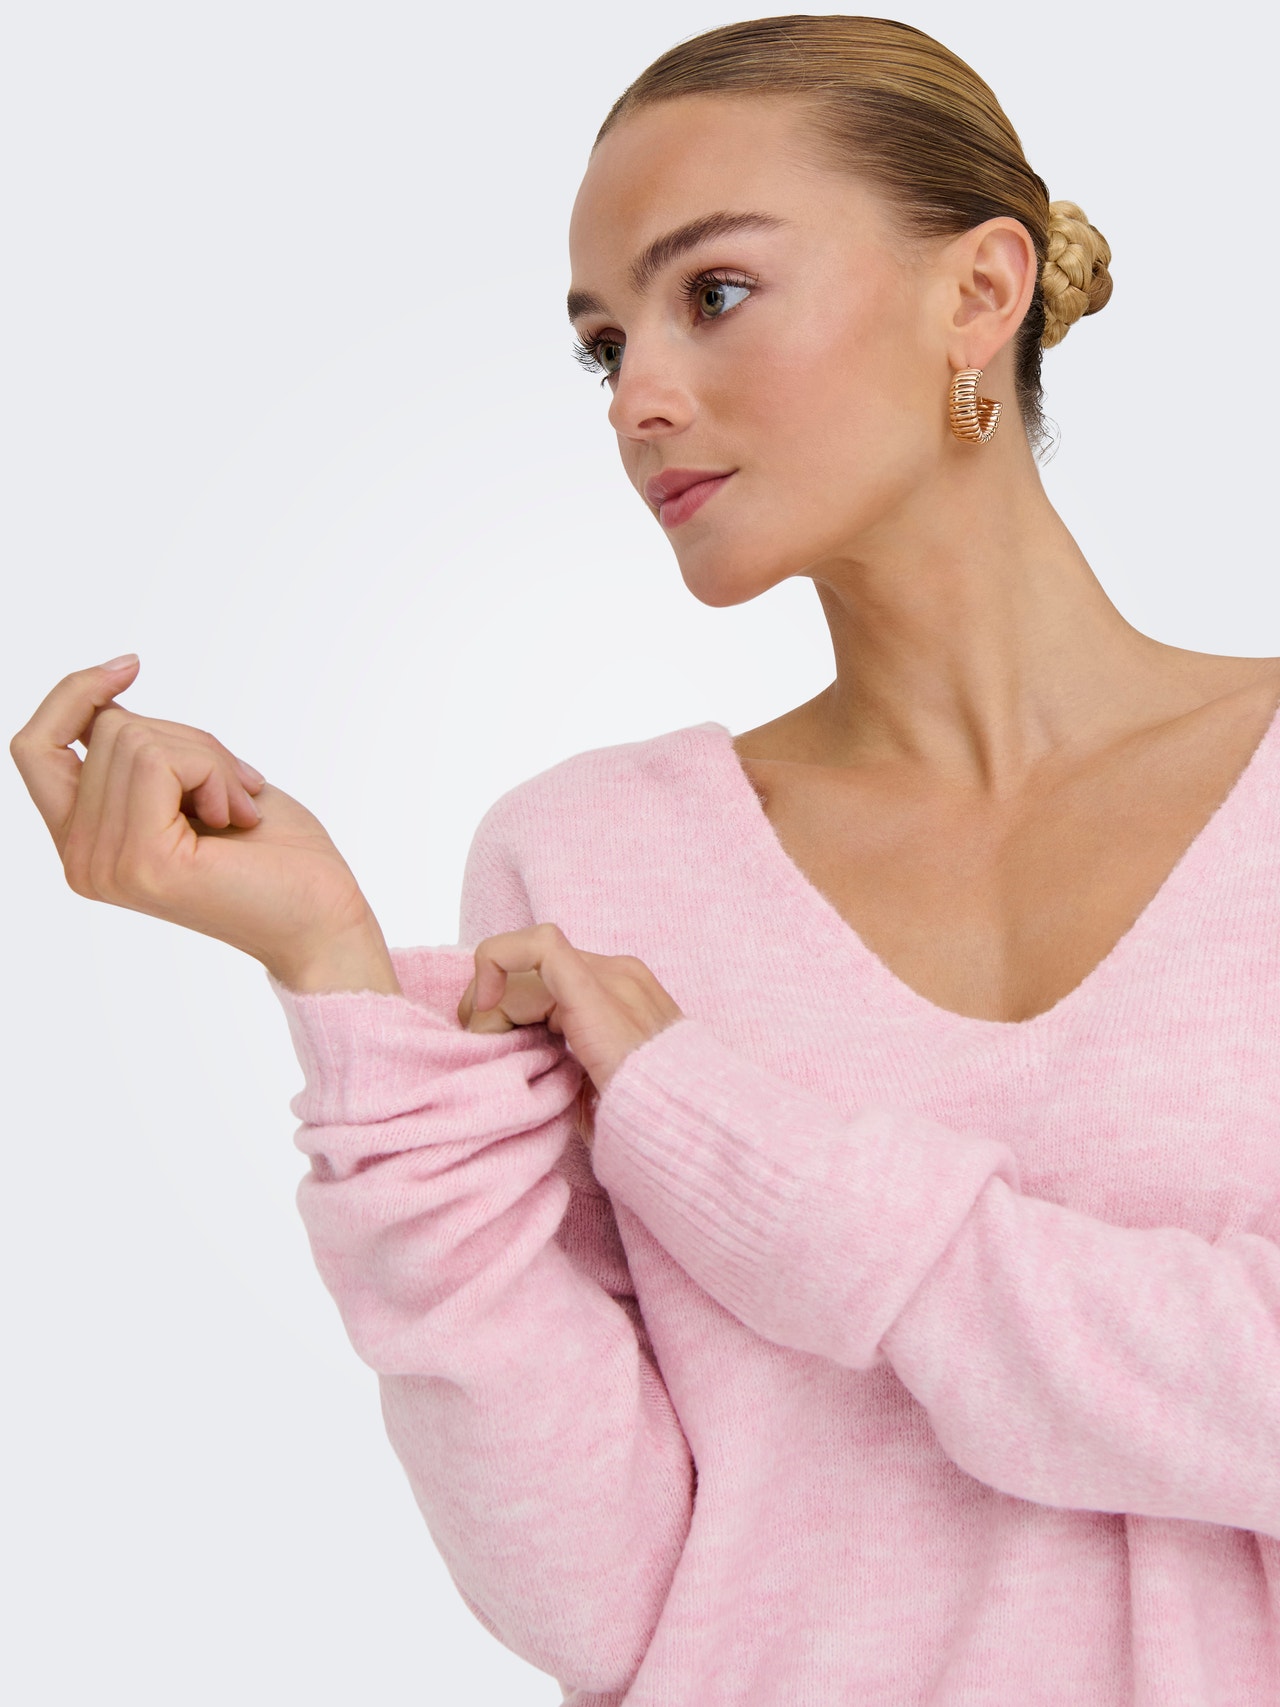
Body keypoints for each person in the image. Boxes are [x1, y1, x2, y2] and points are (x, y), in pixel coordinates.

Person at [12, 13, 1280, 1703]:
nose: (640, 400)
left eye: (717, 293)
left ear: (980, 293)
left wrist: (727, 1138)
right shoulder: (586, 860)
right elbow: (601, 1597)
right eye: (605, 347)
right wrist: (332, 969)